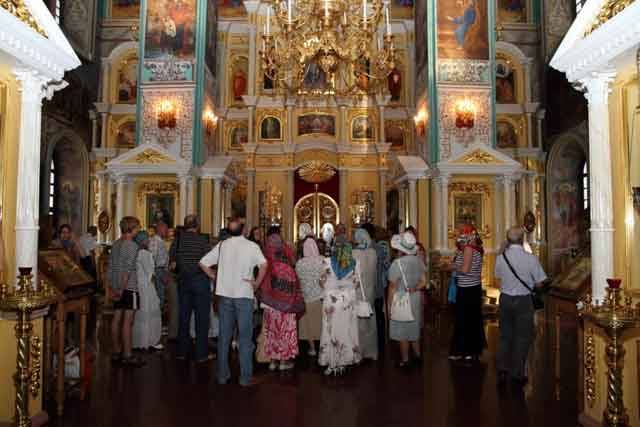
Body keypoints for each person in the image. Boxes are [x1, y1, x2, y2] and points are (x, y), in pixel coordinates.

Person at [199, 220, 268, 387]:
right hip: (244, 294)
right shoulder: (251, 246)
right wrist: (257, 283)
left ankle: (222, 375)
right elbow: (264, 265)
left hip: (225, 295)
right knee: (245, 338)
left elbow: (202, 263)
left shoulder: (222, 245)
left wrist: (214, 276)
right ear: (243, 230)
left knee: (224, 337)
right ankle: (245, 378)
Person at [495, 227, 547, 386]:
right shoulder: (531, 259)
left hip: (505, 299)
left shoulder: (500, 258)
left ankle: (503, 369)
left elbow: (498, 279)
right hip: (524, 300)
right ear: (522, 239)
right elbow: (539, 282)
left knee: (505, 336)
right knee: (522, 337)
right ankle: (517, 373)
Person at [258, 227, 304, 371]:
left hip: (270, 304)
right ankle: (284, 362)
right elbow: (294, 283)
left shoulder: (265, 260)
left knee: (272, 331)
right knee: (286, 331)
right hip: (287, 304)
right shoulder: (288, 261)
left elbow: (262, 282)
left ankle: (273, 361)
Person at [169, 215, 213, 363]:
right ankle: (201, 354)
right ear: (197, 225)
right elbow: (209, 261)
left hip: (183, 282)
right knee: (202, 319)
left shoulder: (178, 240)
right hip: (200, 281)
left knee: (184, 317)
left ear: (185, 225)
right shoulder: (202, 240)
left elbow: (172, 260)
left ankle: (182, 352)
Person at [318, 235, 362, 376]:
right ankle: (343, 362)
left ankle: (331, 364)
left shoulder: (326, 261)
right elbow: (356, 283)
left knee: (330, 330)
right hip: (347, 301)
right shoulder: (355, 263)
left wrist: (332, 285)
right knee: (346, 330)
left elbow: (322, 282)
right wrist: (344, 285)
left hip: (331, 301)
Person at [107, 216, 144, 366]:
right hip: (128, 287)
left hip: (117, 286)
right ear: (131, 228)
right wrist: (122, 289)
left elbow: (110, 268)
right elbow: (127, 270)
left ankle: (116, 351)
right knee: (128, 322)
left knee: (116, 318)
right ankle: (128, 355)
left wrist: (111, 288)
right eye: (137, 227)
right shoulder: (132, 245)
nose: (139, 230)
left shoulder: (116, 244)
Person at [388, 232, 427, 367]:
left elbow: (392, 287)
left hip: (401, 298)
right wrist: (415, 289)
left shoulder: (396, 264)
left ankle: (405, 360)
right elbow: (424, 282)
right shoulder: (419, 261)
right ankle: (418, 356)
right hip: (415, 297)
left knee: (402, 330)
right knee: (414, 327)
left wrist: (389, 306)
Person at [449, 224, 487, 362]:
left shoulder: (469, 249)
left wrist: (451, 266)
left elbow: (465, 270)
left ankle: (466, 351)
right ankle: (469, 350)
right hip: (470, 288)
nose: (458, 235)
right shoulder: (470, 248)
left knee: (465, 320)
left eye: (460, 232)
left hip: (468, 289)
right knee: (468, 320)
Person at [132, 231, 163, 351]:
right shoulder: (145, 254)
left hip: (138, 285)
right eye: (147, 239)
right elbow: (150, 274)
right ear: (142, 241)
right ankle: (150, 340)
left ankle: (140, 340)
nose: (149, 241)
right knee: (149, 312)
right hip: (146, 286)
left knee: (140, 313)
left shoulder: (137, 252)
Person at [295, 234, 325, 357]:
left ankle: (312, 348)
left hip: (305, 297)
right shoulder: (322, 260)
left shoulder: (299, 263)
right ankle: (322, 348)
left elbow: (298, 279)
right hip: (320, 297)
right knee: (322, 323)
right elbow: (326, 278)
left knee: (308, 325)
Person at [352, 228, 378, 361]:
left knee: (358, 321)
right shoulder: (373, 253)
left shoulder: (354, 253)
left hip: (357, 290)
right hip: (370, 290)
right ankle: (372, 352)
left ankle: (359, 352)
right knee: (370, 320)